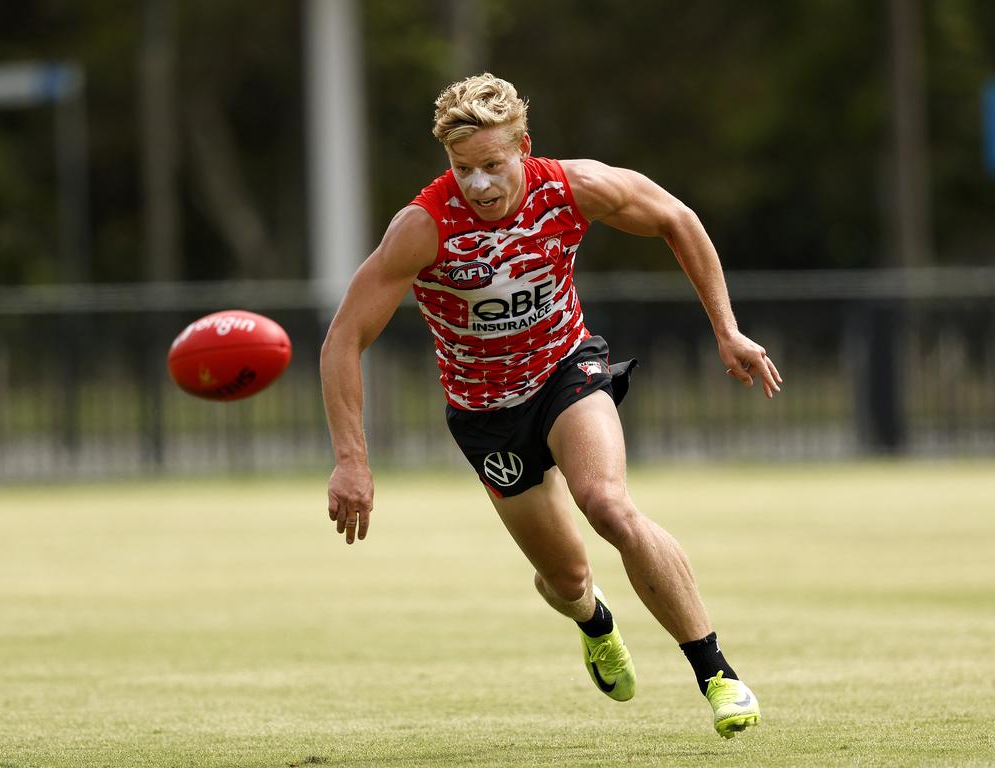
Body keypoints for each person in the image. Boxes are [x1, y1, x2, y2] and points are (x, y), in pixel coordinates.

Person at [320, 73, 782, 739]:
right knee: (565, 579)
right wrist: (350, 461)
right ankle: (594, 621)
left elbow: (675, 219)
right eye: (462, 169)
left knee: (608, 505)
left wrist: (726, 328)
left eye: (492, 165)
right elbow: (343, 340)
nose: (478, 186)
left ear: (524, 147)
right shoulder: (423, 227)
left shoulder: (572, 187)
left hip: (567, 371)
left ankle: (718, 675)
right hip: (485, 417)